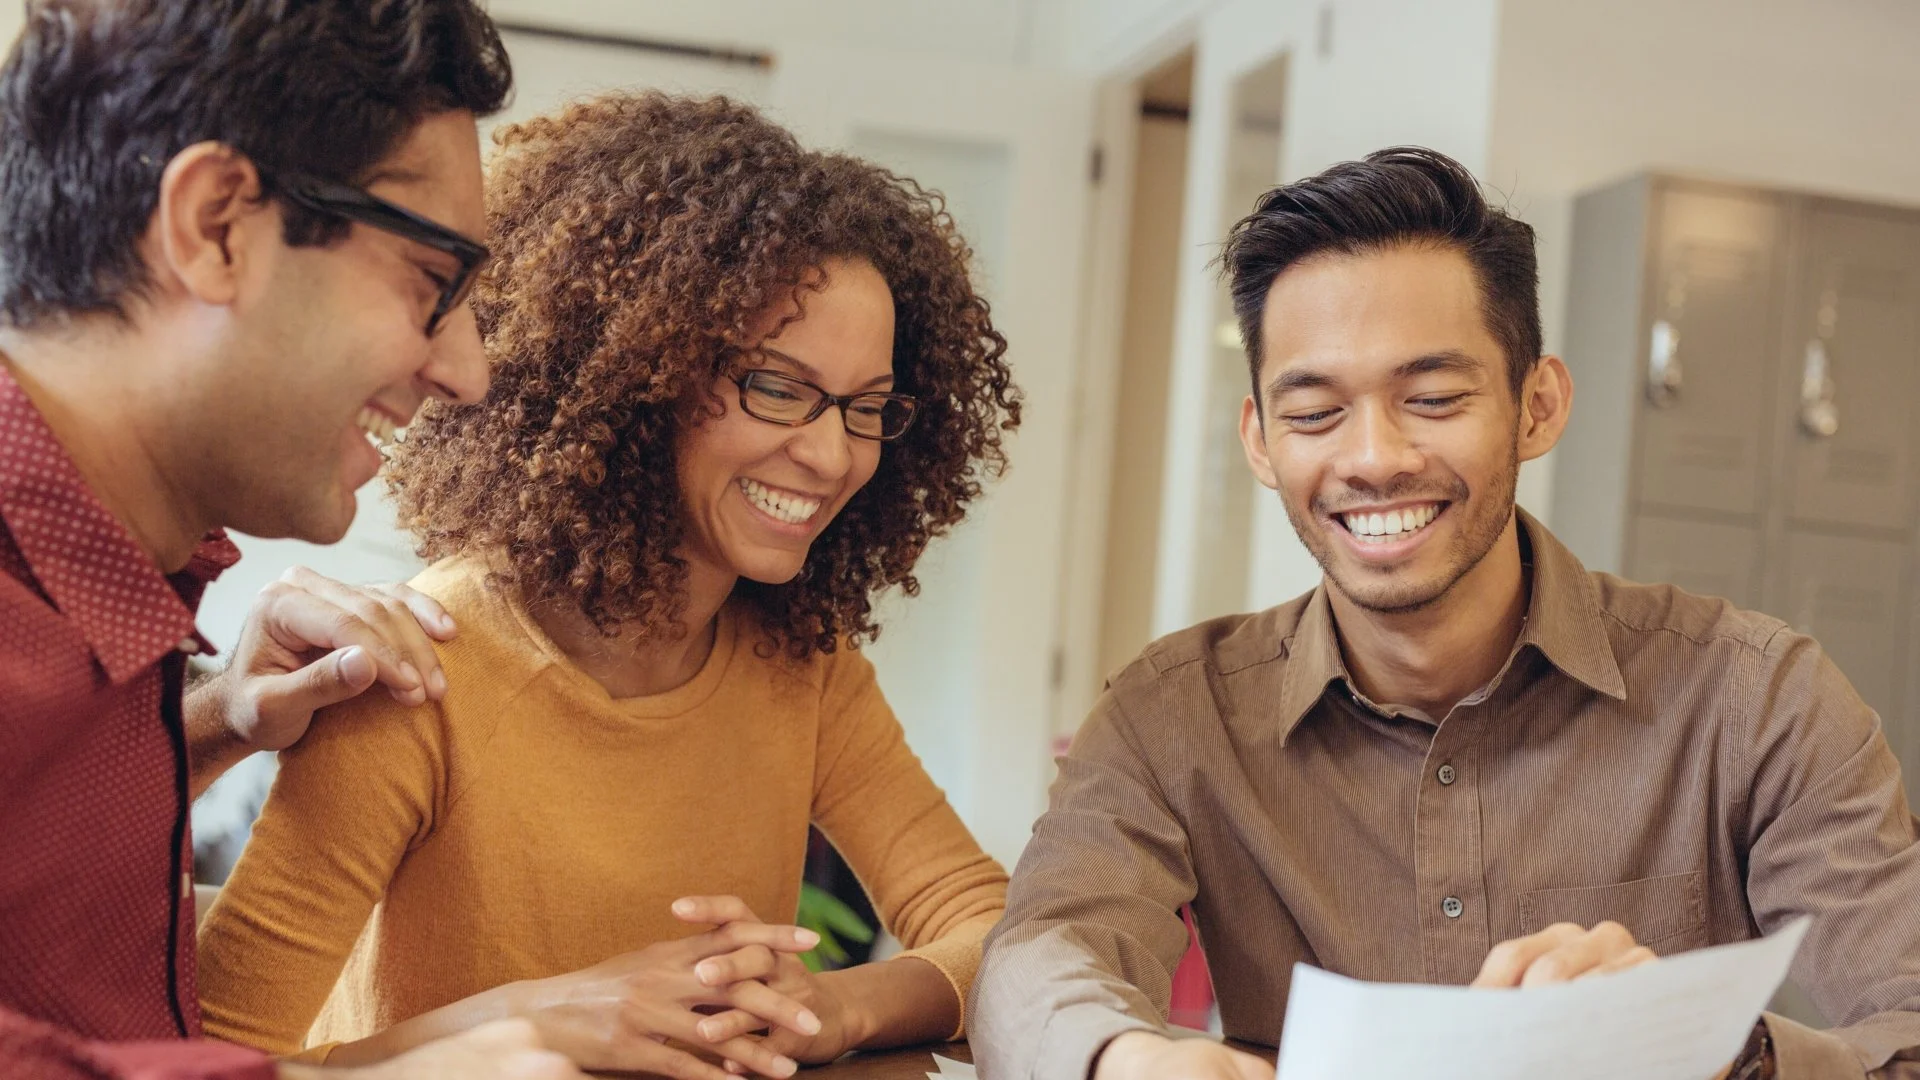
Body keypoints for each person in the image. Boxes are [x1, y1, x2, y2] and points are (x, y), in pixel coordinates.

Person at [969, 147, 1920, 1080]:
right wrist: (1124, 1057)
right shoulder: (1172, 714)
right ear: (1260, 440)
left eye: (1431, 397)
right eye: (1313, 414)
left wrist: (1719, 1054)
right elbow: (1041, 952)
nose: (1374, 457)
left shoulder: (1757, 699)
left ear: (1537, 406)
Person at [195, 92, 1015, 1080]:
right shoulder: (420, 665)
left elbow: (990, 927)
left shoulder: (804, 669)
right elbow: (212, 1058)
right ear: (639, 375)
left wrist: (831, 1009)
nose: (833, 452)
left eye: (869, 406)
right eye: (778, 388)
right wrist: (526, 1027)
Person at [0, 2, 588, 1078]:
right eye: (431, 282)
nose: (467, 371)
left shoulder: (114, 586)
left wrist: (217, 718)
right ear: (219, 224)